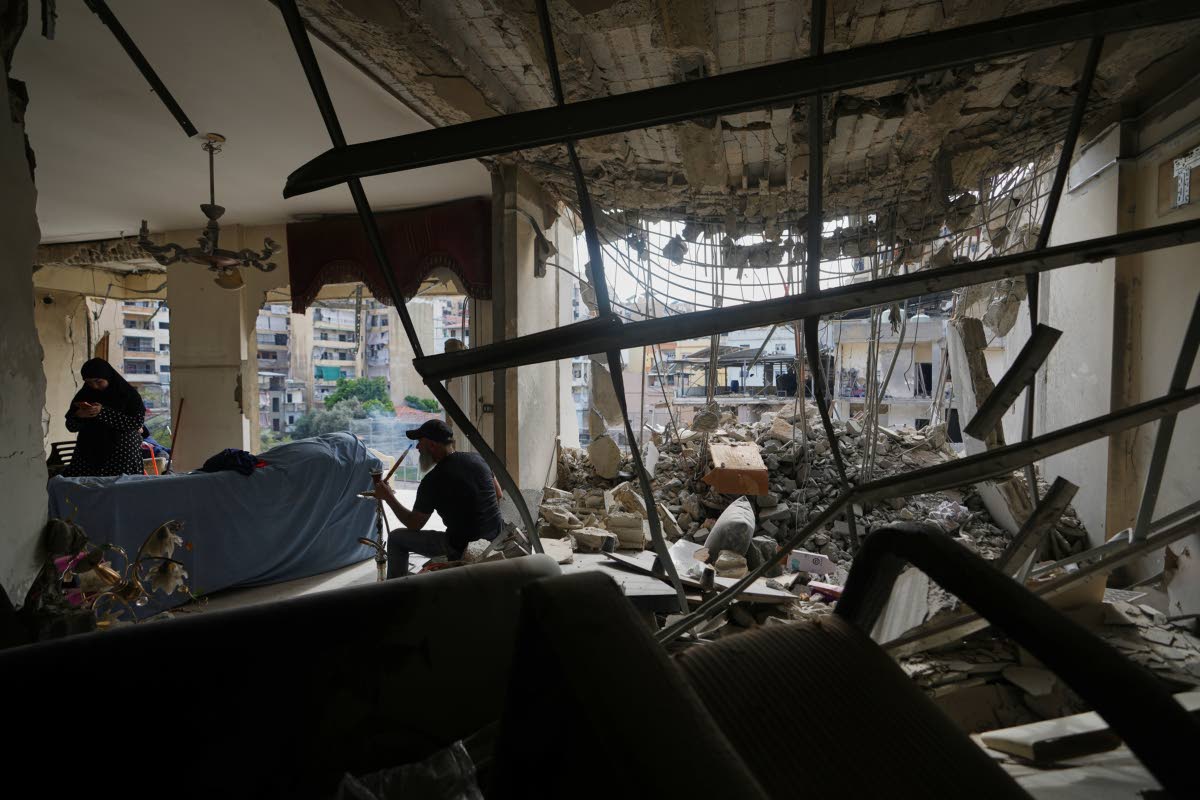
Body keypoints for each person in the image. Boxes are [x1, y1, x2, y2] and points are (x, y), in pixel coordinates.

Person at [372, 419, 504, 578]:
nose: (417, 447)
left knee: (396, 538)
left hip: (460, 546)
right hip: (495, 538)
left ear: (432, 445)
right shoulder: (478, 459)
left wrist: (388, 497)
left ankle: (396, 592)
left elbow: (414, 524)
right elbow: (499, 495)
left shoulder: (433, 480)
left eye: (420, 442)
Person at [63, 358, 146, 477]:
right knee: (87, 491)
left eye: (98, 381)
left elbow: (136, 423)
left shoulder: (128, 395)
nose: (94, 386)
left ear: (108, 377)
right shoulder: (84, 395)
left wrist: (103, 412)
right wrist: (78, 416)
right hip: (89, 454)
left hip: (122, 454)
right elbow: (71, 426)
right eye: (89, 382)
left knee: (120, 491)